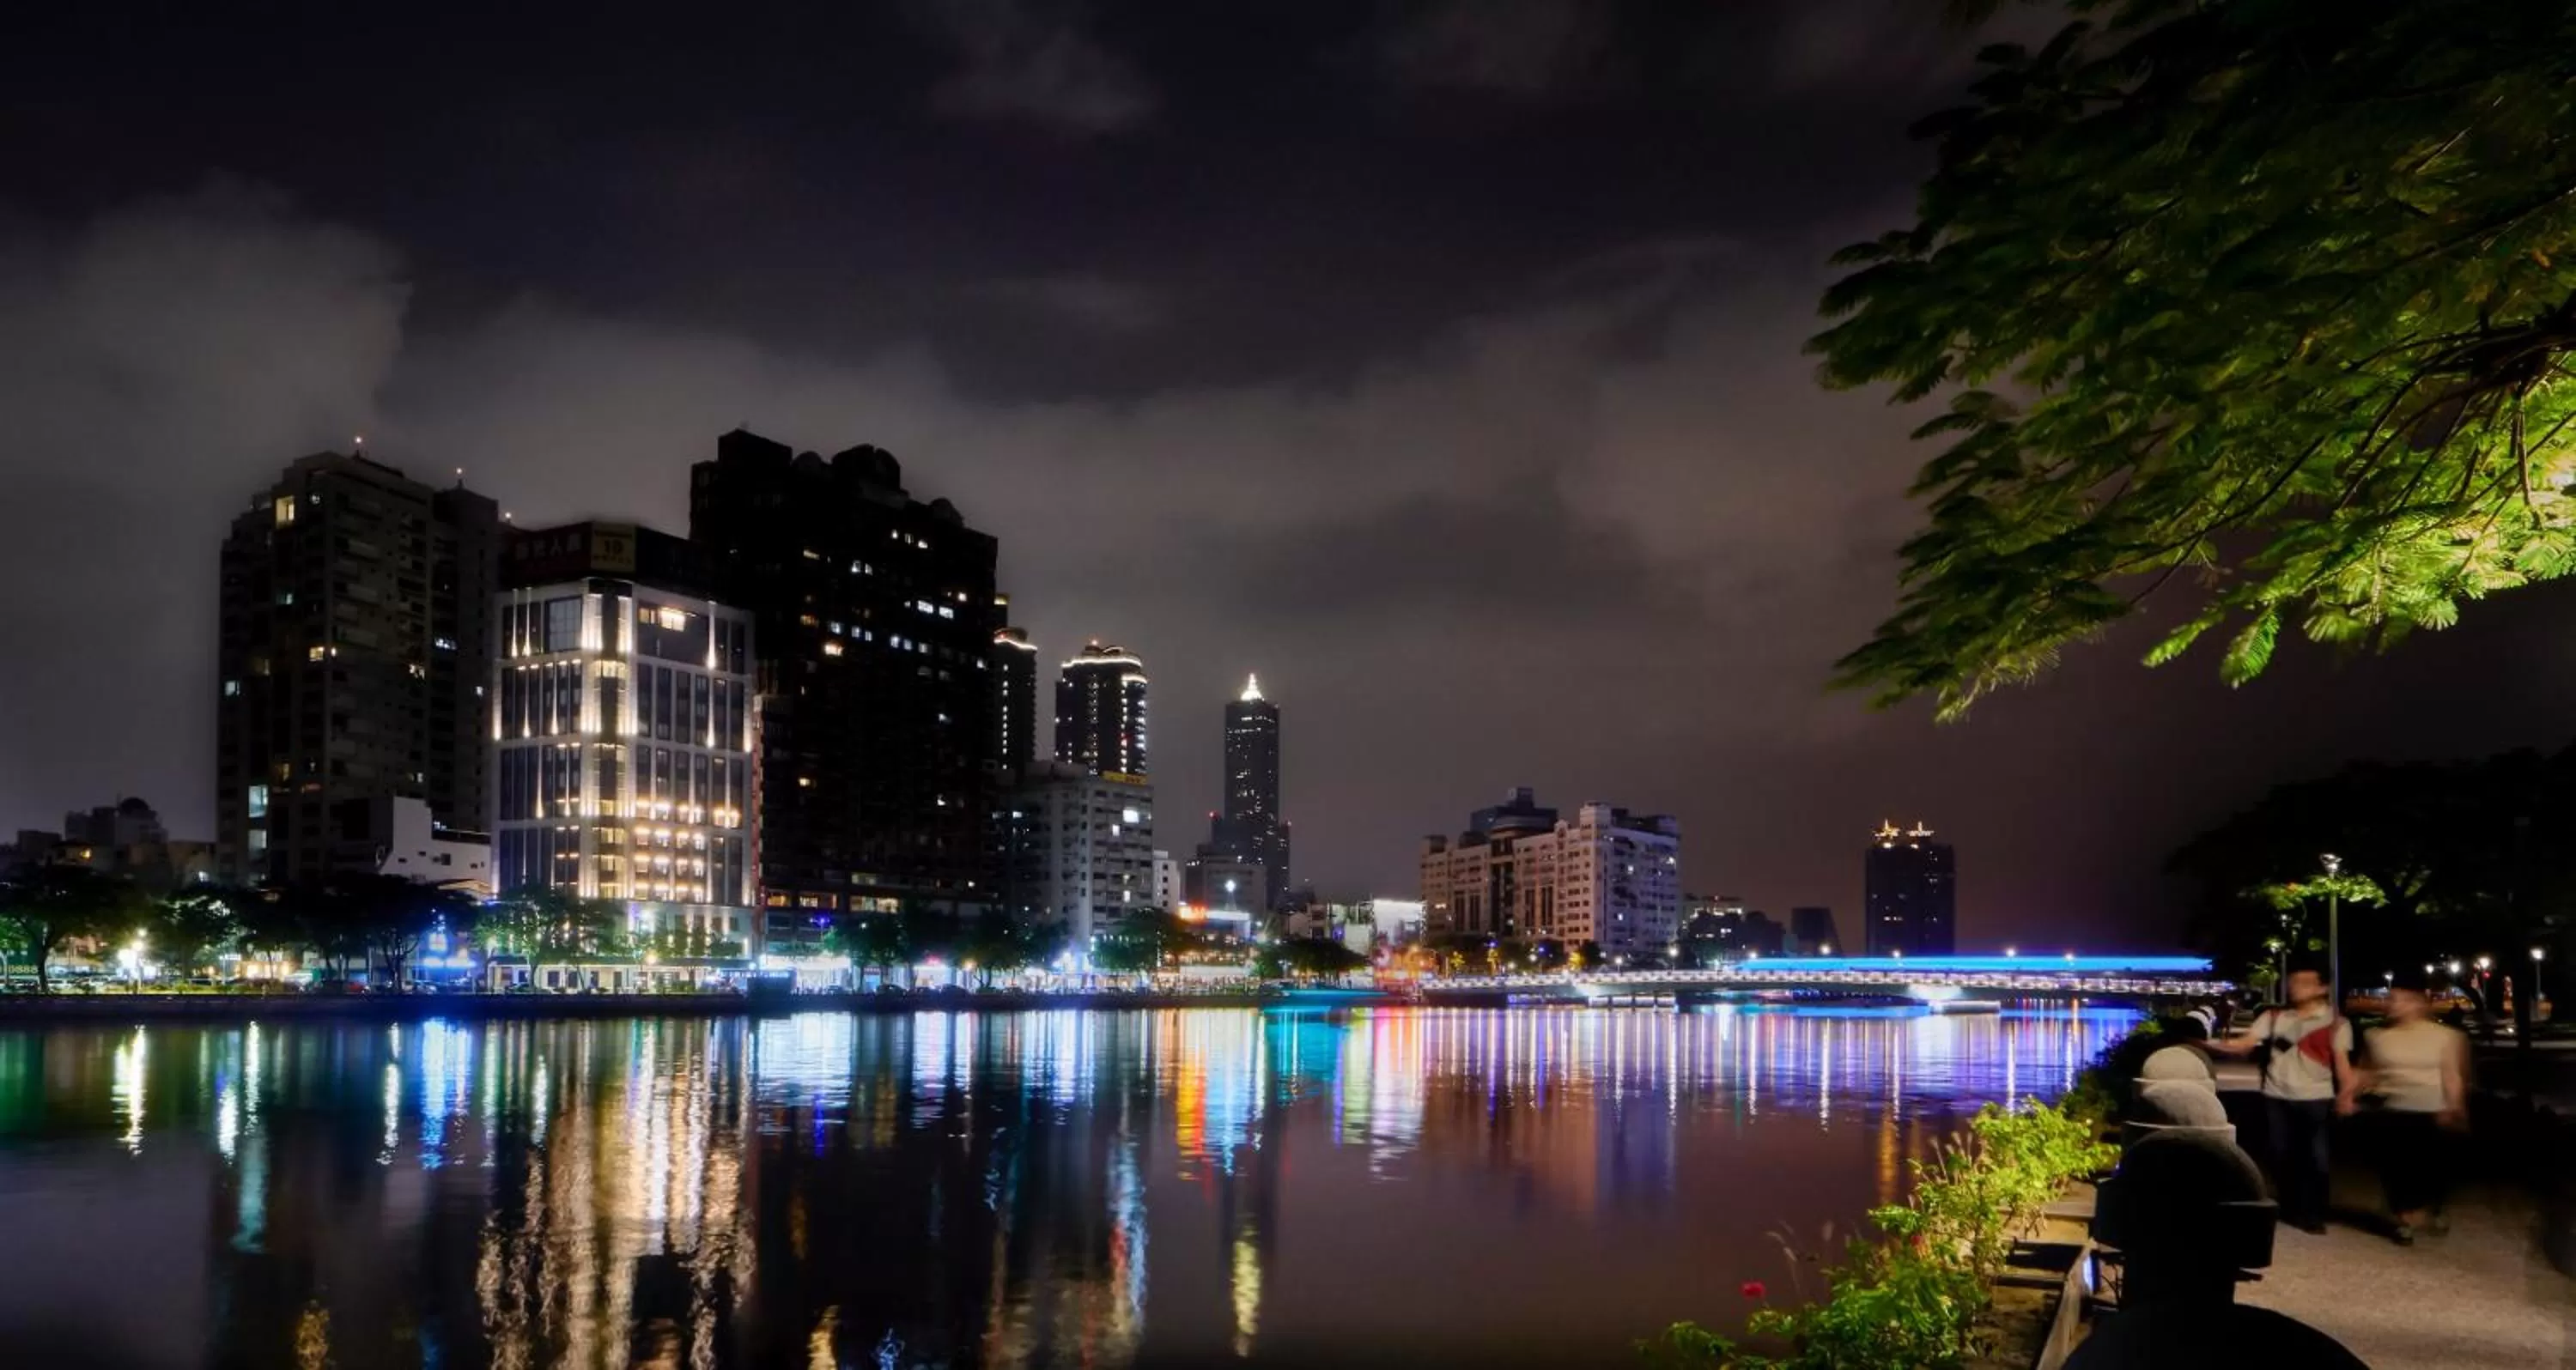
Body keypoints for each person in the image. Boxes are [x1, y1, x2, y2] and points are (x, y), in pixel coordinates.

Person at [2212, 967, 2356, 1233]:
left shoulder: (2337, 1023)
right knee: (2280, 1153)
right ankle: (2291, 1206)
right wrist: (2205, 1044)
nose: (2295, 987)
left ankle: (2314, 1212)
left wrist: (2347, 1094)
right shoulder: (2275, 1016)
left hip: (2316, 1096)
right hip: (2276, 1094)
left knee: (2317, 1159)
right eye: (2292, 982)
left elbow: (2342, 1064)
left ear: (2322, 988)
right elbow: (2245, 1044)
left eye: (2303, 982)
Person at [2357, 980, 2470, 1245]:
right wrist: (2350, 1095)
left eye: (2403, 999)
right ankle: (2404, 1217)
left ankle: (2432, 1207)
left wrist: (2454, 1104)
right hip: (2393, 1108)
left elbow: (2451, 1073)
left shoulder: (2445, 1037)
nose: (2394, 1005)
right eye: (2392, 999)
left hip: (2431, 1108)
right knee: (2394, 1167)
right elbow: (2367, 1071)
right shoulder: (2378, 1036)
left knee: (2429, 1167)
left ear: (2419, 1003)